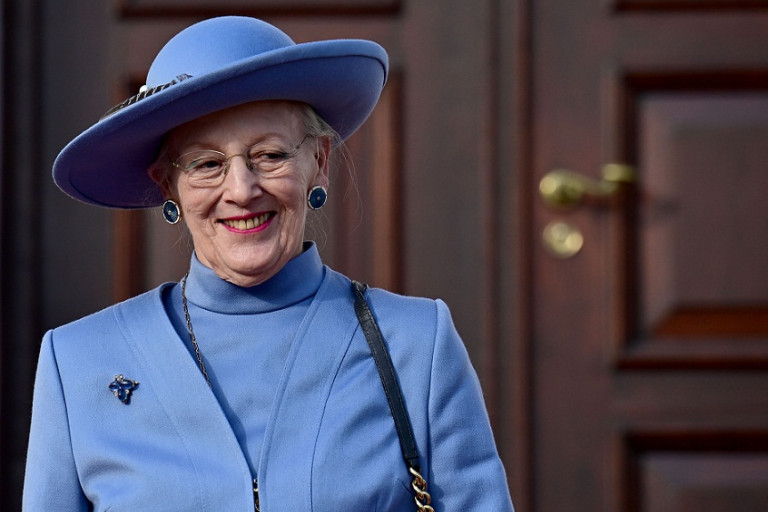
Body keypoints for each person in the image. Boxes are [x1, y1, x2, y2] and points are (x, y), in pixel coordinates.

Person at [23, 16, 514, 511]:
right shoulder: (78, 362)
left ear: (319, 161)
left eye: (270, 155)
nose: (241, 190)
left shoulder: (416, 344)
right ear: (167, 184)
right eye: (207, 164)